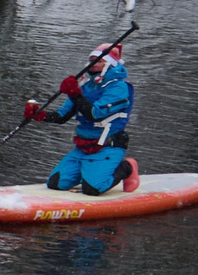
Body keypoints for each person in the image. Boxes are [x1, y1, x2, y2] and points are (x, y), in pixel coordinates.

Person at [27, 42, 136, 195]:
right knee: (55, 183)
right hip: (83, 147)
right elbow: (62, 116)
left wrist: (74, 93)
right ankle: (88, 173)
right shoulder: (86, 86)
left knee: (92, 189)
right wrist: (40, 115)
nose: (94, 64)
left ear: (110, 65)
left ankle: (126, 168)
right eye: (92, 60)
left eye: (99, 61)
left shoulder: (119, 87)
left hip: (107, 146)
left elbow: (94, 113)